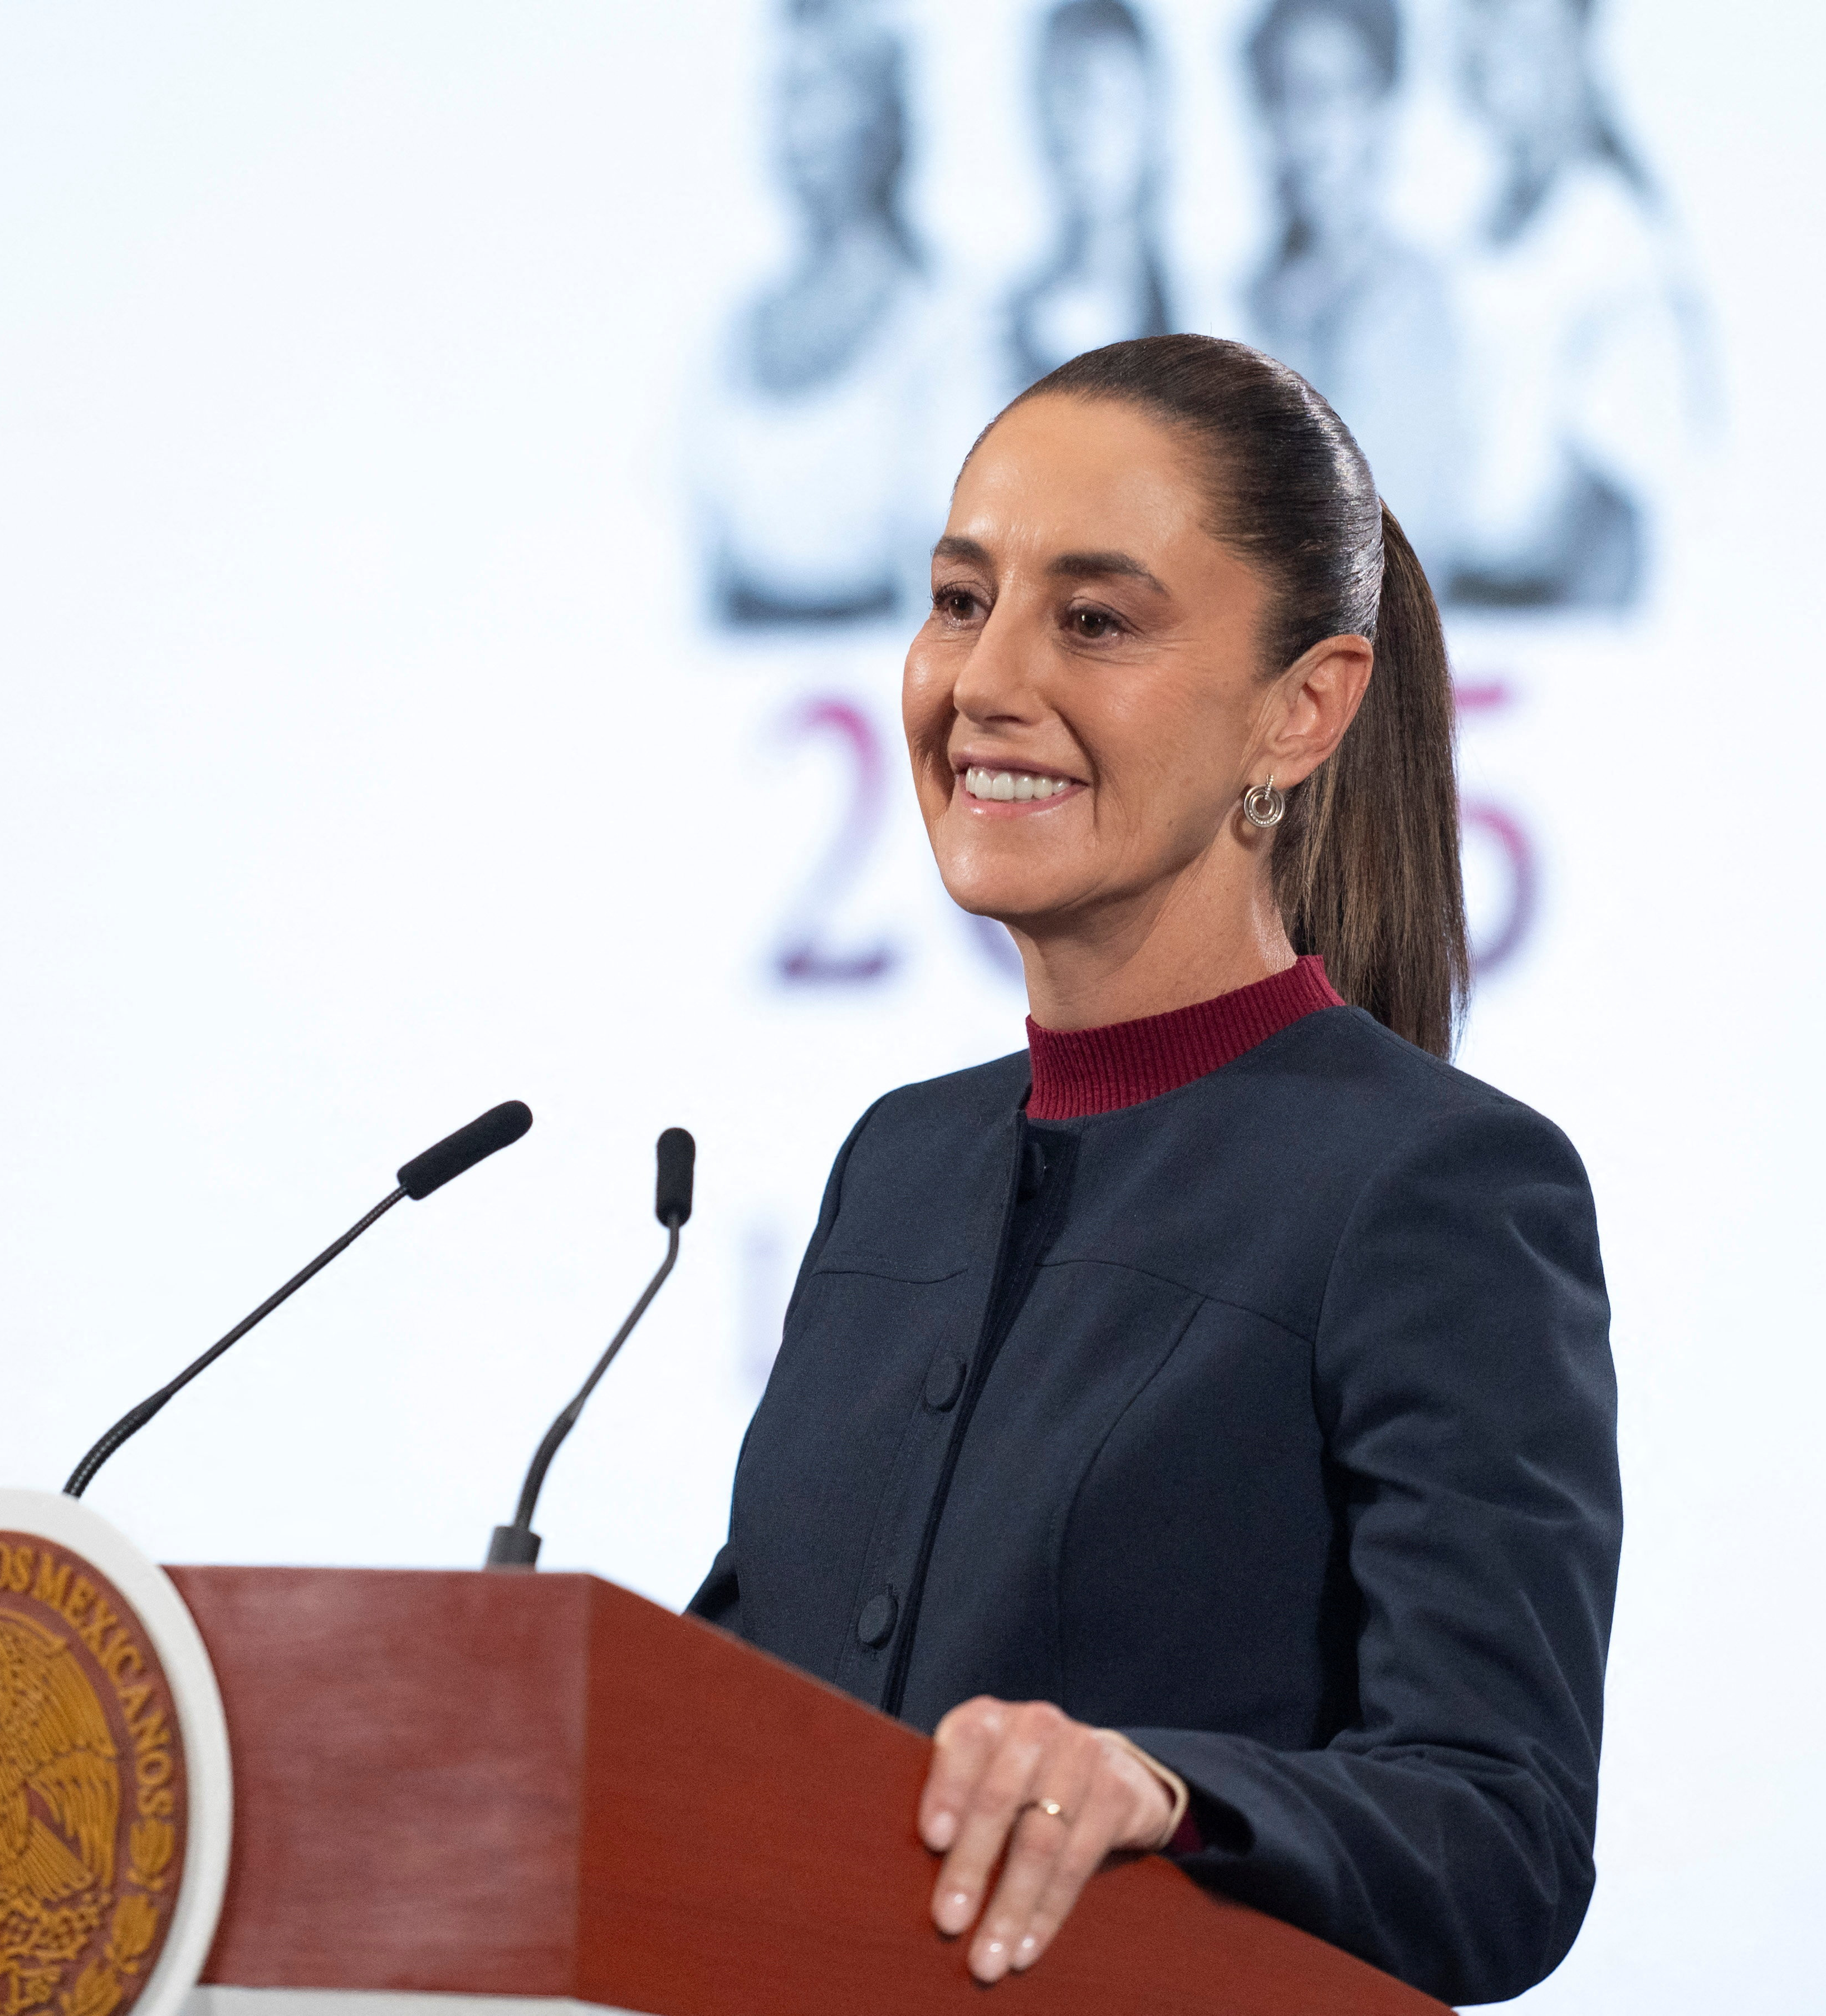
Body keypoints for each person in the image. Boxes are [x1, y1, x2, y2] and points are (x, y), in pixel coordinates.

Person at [689, 334, 1619, 2004]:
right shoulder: (896, 1164)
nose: (983, 682)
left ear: (1300, 709)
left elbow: (1501, 1832)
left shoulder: (1439, 1189)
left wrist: (1169, 1793)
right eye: (959, 599)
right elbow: (736, 1715)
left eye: (1094, 620)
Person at [696, 0, 959, 629]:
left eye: (811, 92)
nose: (788, 125)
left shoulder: (941, 323)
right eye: (778, 96)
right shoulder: (729, 329)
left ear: (875, 109)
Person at [1440, 0, 1703, 609]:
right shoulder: (1471, 216)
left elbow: (1616, 521)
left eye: (1509, 21)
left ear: (1572, 40)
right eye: (1474, 17)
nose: (1482, 43)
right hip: (1464, 608)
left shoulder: (1612, 236)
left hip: (1537, 623)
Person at [1242, 0, 1470, 577]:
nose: (1314, 122)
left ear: (1382, 109)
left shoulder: (1420, 303)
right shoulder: (1237, 298)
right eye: (1291, 92)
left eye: (1339, 91)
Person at [1002, 0, 1176, 389]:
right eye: (1065, 98)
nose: (1083, 133)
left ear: (1154, 121)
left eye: (1109, 102)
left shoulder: (1216, 314)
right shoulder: (989, 336)